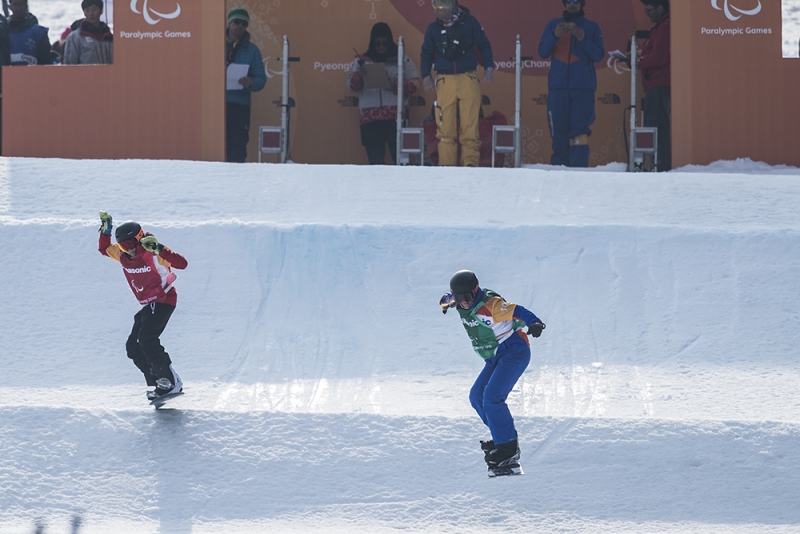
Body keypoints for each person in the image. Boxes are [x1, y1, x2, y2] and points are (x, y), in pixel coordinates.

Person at [440, 270, 546, 477]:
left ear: (475, 291)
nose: (463, 303)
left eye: (467, 298)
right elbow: (450, 298)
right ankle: (503, 439)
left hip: (514, 352)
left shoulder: (491, 306)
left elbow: (517, 310)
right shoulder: (460, 300)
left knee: (492, 398)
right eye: (459, 299)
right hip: (495, 356)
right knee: (477, 397)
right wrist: (445, 302)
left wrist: (534, 322)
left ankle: (508, 448)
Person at [97, 212, 188, 402]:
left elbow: (182, 263)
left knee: (147, 338)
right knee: (133, 346)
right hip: (149, 304)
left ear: (139, 239)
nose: (127, 249)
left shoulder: (153, 253)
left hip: (164, 299)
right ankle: (160, 383)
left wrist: (160, 248)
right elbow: (104, 248)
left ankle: (169, 381)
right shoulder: (123, 256)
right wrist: (106, 231)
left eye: (130, 244)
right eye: (123, 245)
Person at [420, 0, 494, 167]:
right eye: (434, 8)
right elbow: (426, 53)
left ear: (450, 6)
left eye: (439, 8)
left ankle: (470, 164)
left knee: (470, 126)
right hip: (445, 80)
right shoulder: (433, 28)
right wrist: (426, 75)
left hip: (468, 77)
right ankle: (446, 166)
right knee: (445, 128)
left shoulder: (470, 22)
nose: (436, 12)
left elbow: (484, 44)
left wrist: (489, 67)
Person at [538, 0, 605, 167]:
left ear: (582, 4)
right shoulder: (553, 25)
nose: (571, 4)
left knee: (579, 133)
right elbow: (542, 52)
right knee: (558, 135)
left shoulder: (592, 27)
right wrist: (555, 36)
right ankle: (558, 173)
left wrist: (583, 39)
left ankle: (579, 172)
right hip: (558, 88)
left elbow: (598, 55)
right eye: (568, 1)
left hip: (583, 88)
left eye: (575, 1)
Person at [347, 22, 421, 165]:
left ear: (391, 41)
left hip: (396, 119)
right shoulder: (361, 61)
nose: (381, 47)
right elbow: (351, 87)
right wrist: (359, 75)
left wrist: (394, 85)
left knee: (402, 162)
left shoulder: (402, 59)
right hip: (370, 121)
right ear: (372, 43)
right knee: (375, 164)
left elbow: (415, 85)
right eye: (377, 43)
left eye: (385, 43)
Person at [226, 7, 266, 163]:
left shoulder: (252, 50)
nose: (240, 26)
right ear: (229, 24)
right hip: (215, 106)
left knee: (237, 149)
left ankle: (237, 183)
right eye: (236, 22)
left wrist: (251, 82)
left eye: (244, 23)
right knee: (213, 148)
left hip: (239, 106)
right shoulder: (215, 45)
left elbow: (261, 80)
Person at [638, 0, 670, 171]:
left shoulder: (665, 27)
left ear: (660, 8)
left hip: (659, 84)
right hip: (655, 84)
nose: (647, 14)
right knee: (656, 126)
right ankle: (659, 164)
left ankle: (662, 165)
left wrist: (638, 62)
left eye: (649, 10)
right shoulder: (659, 27)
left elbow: (657, 57)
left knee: (657, 127)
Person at [62, 0, 112, 65]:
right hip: (84, 75)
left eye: (94, 9)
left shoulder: (109, 36)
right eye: (87, 10)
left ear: (101, 10)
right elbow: (69, 65)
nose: (91, 13)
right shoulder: (75, 37)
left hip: (109, 74)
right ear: (84, 13)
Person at [8, 0, 50, 66]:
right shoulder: (3, 32)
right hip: (7, 75)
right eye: (15, 5)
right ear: (10, 7)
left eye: (21, 4)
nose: (18, 8)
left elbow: (46, 63)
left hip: (34, 75)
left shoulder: (39, 32)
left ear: (26, 6)